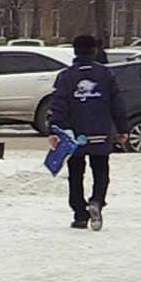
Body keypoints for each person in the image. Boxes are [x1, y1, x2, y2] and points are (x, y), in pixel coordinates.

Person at [45, 34, 127, 230]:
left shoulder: (66, 76)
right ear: (95, 51)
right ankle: (97, 201)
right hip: (100, 132)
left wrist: (54, 129)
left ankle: (79, 214)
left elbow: (59, 105)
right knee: (101, 170)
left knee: (75, 174)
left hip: (74, 135)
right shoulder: (106, 75)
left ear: (74, 51)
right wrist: (122, 128)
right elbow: (117, 103)